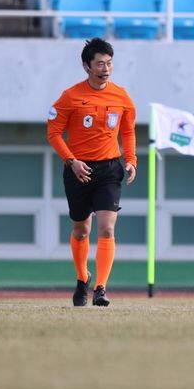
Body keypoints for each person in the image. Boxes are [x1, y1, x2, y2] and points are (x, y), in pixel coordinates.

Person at [47, 38, 137, 307]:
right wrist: (71, 160)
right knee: (81, 230)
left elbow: (128, 130)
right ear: (87, 66)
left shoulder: (121, 95)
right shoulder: (70, 96)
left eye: (109, 63)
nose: (106, 68)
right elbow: (53, 133)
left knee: (107, 229)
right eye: (100, 63)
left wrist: (131, 159)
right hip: (78, 170)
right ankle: (81, 278)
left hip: (109, 168)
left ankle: (101, 287)